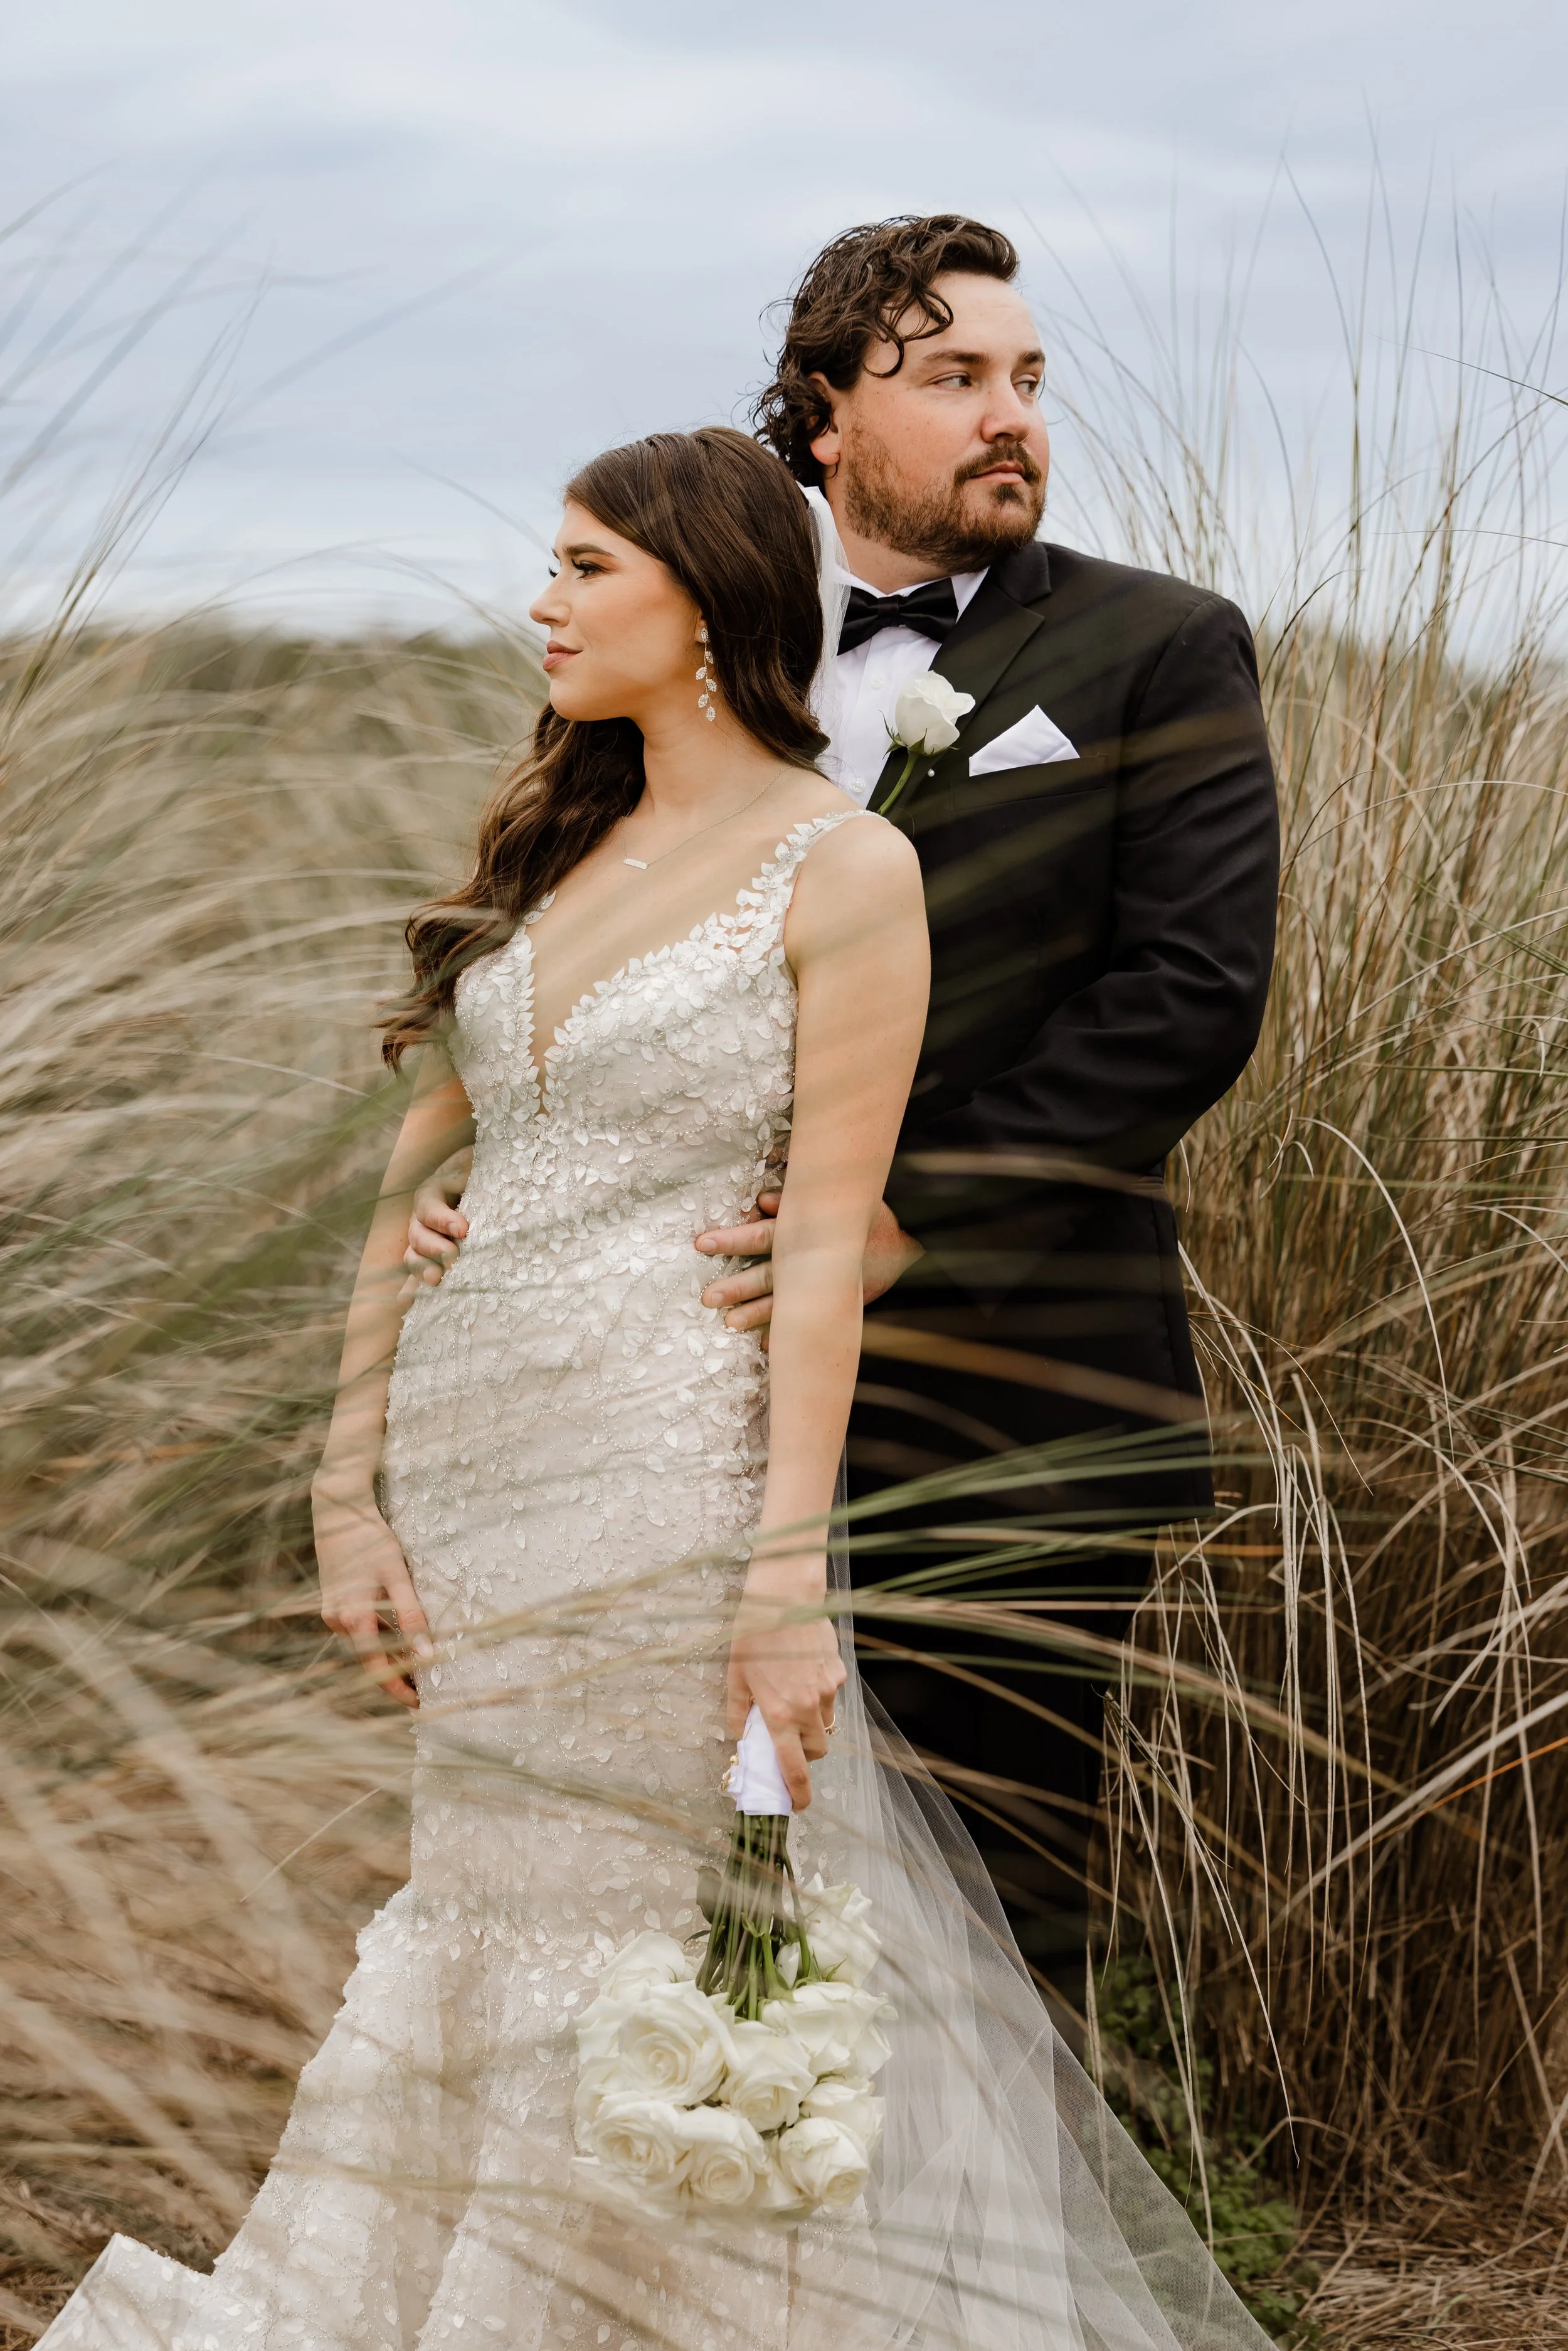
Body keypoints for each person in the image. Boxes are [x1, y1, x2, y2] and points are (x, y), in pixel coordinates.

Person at [40, 425, 1276, 2351]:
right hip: (476, 1464)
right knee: (477, 1891)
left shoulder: (844, 866)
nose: (543, 603)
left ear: (701, 604)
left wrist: (787, 1573)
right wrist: (342, 1486)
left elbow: (824, 1251)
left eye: (584, 567)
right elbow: (408, 1183)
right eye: (550, 565)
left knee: (650, 1908)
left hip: (664, 1467)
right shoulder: (550, 834)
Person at [405, 217, 1281, 1992]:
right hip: (673, 1397)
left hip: (1007, 1384)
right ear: (822, 414)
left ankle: (1013, 2264)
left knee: (997, 1902)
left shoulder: (1158, 647)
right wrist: (519, 1172)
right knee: (666, 1877)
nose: (1007, 415)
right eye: (951, 377)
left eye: (1026, 379)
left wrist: (909, 1217)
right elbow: (583, 945)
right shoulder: (682, 627)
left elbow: (1188, 993)